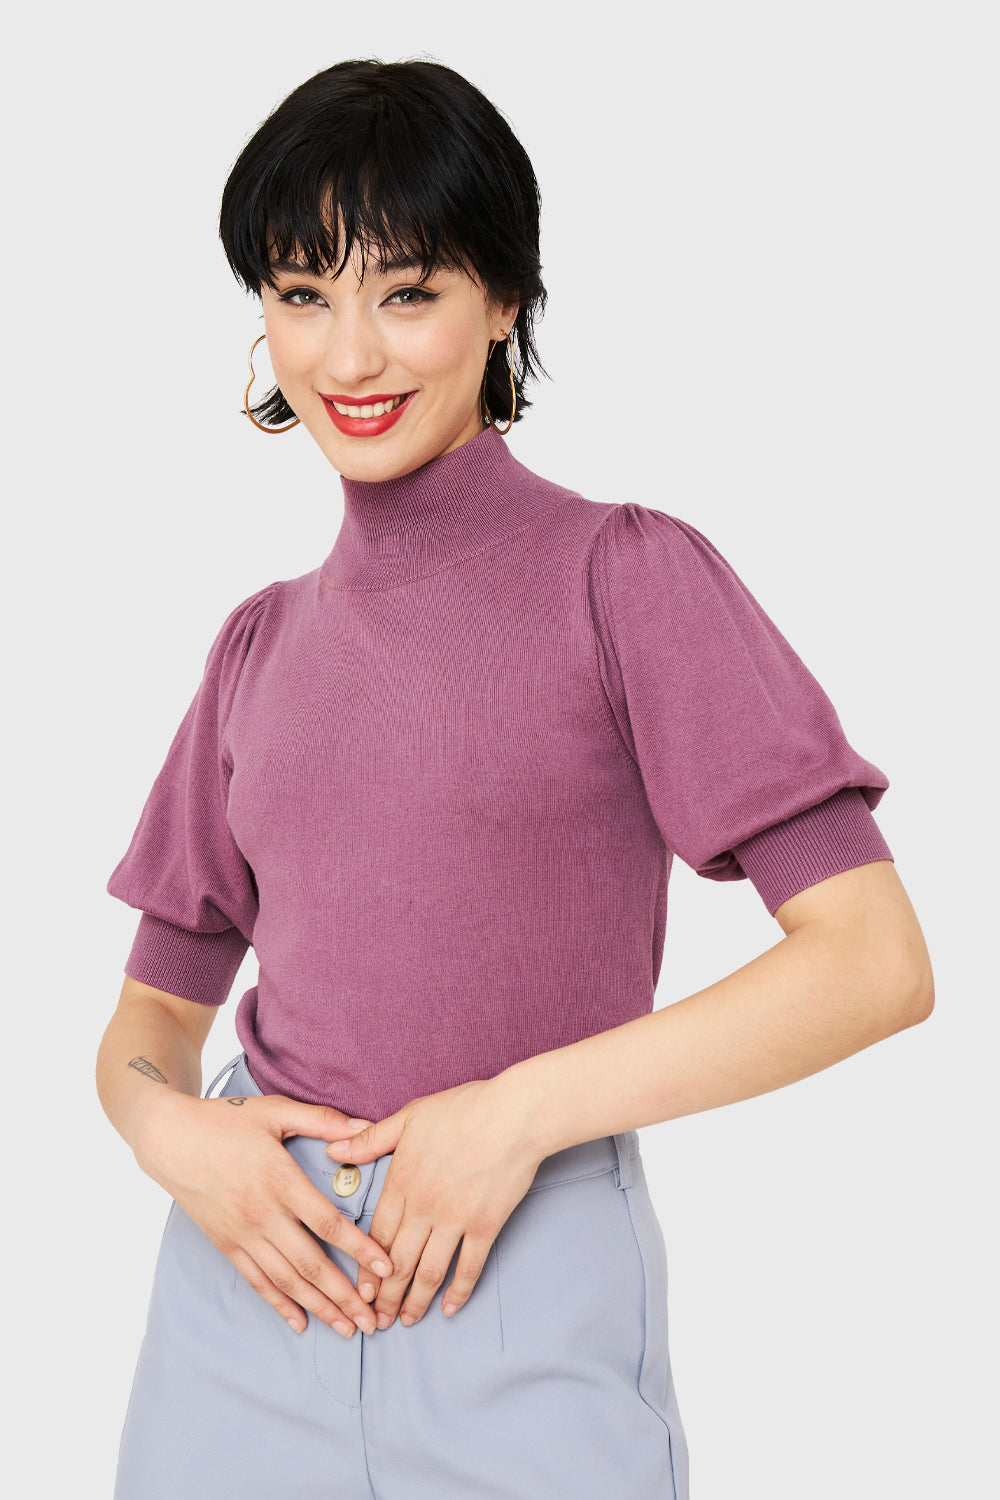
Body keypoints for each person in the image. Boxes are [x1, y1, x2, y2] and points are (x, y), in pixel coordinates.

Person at [96, 57, 934, 1500]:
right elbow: (153, 1019)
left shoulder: (625, 579)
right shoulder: (257, 646)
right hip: (244, 1290)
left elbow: (873, 964)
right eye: (303, 294)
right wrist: (173, 1135)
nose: (349, 356)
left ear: (506, 301)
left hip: (519, 1270)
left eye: (408, 291)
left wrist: (516, 1116)